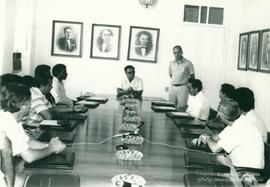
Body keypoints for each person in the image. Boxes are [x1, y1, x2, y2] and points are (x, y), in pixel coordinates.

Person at [0, 83, 66, 164]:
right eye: (30, 102)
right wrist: (51, 148)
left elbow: (28, 142)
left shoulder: (11, 118)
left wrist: (50, 145)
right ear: (23, 105)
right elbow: (29, 157)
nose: (31, 106)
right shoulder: (8, 123)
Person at [192, 100, 264, 169]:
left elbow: (215, 149)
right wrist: (205, 136)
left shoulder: (238, 128)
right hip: (238, 165)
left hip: (248, 172)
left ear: (221, 116)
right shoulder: (238, 121)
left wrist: (207, 139)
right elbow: (217, 137)